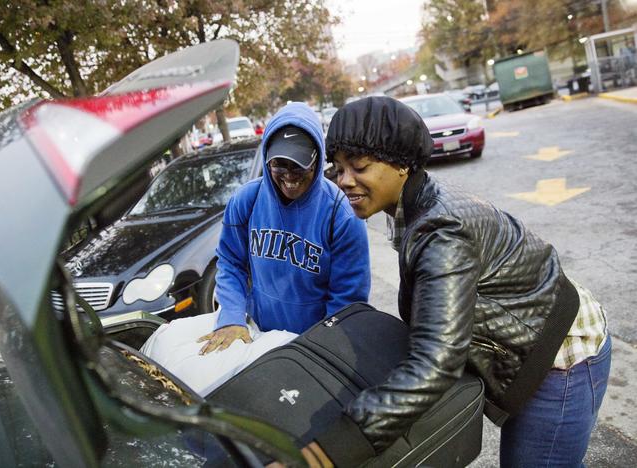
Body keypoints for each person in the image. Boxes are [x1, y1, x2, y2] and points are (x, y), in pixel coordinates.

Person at [308, 96, 610, 467]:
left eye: (359, 167)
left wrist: (322, 454)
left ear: (402, 164)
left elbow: (436, 362)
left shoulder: (441, 231)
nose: (344, 181)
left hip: (562, 357)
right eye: (337, 169)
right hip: (537, 336)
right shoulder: (417, 202)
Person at [198, 102, 371, 355]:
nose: (289, 176)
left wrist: (326, 346)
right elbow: (230, 262)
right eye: (279, 164)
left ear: (317, 159)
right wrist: (233, 317)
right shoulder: (247, 200)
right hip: (259, 336)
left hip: (316, 343)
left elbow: (347, 297)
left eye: (299, 165)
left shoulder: (341, 214)